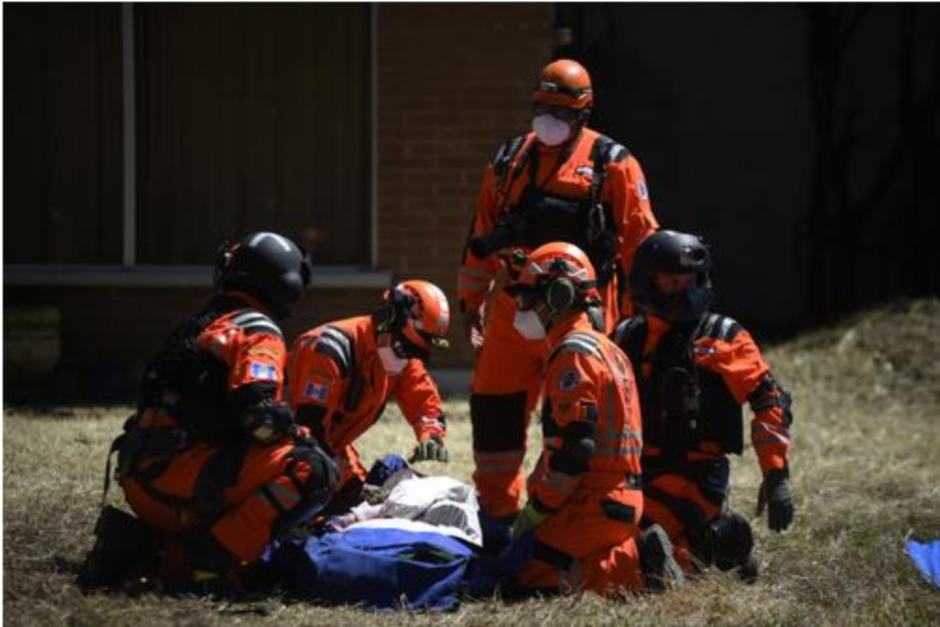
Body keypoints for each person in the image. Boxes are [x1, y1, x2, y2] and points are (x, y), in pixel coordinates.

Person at [457, 58, 659, 521]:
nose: (550, 120)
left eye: (562, 112)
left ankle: (558, 517)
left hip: (580, 319)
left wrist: (642, 319)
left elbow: (639, 244)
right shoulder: (510, 161)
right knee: (494, 417)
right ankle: (496, 517)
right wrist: (470, 302)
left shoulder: (614, 165)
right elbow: (481, 234)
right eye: (543, 108)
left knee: (571, 420)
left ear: (583, 114)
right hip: (512, 310)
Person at [102, 231, 338, 591]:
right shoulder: (259, 331)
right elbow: (260, 417)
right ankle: (209, 571)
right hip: (177, 480)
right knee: (313, 467)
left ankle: (160, 555)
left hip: (141, 477)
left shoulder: (200, 323)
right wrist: (297, 433)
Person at [612, 230, 795, 581]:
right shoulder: (624, 336)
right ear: (647, 283)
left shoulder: (723, 336)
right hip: (636, 469)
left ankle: (708, 544)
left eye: (688, 280)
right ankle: (722, 540)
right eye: (670, 281)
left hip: (696, 472)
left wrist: (776, 476)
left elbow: (769, 401)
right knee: (603, 523)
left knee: (644, 537)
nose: (682, 290)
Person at [504, 242, 683, 595]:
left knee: (524, 577)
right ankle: (629, 550)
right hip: (617, 497)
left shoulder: (573, 356)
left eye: (525, 297)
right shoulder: (606, 348)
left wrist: (540, 508)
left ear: (556, 297)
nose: (519, 308)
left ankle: (633, 568)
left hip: (594, 501)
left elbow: (574, 453)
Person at [286, 279, 452, 508]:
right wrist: (351, 486)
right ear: (387, 319)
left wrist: (431, 436)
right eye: (405, 348)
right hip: (283, 458)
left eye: (416, 353)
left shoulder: (398, 354)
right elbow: (308, 435)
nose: (407, 358)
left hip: (325, 454)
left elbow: (424, 400)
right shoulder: (328, 352)